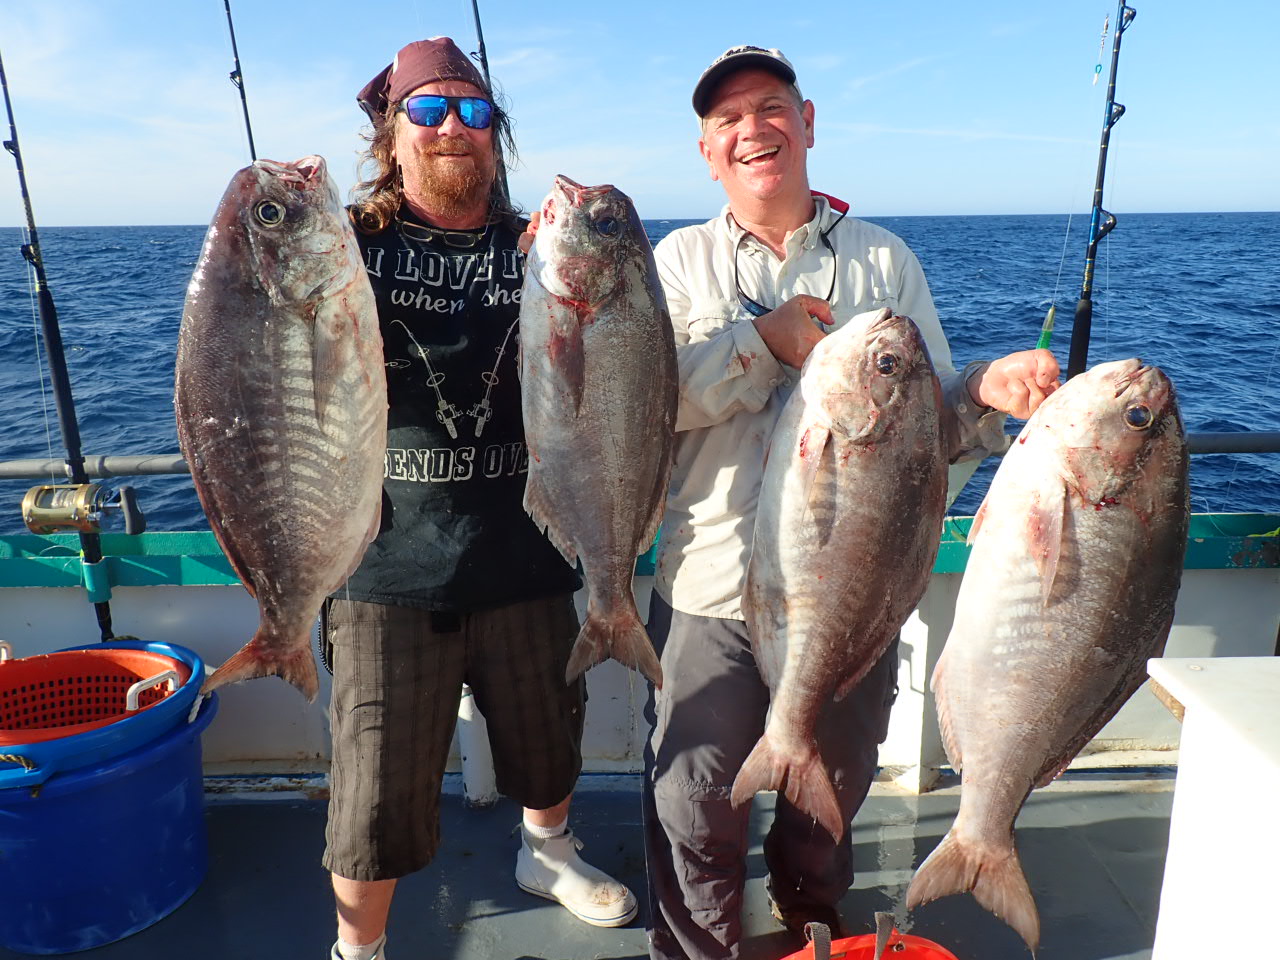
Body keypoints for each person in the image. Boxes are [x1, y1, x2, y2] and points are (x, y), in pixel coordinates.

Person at [641, 45, 1061, 960]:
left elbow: (933, 425)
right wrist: (760, 342)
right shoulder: (676, 263)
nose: (753, 129)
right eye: (727, 120)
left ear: (808, 122)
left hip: (857, 593)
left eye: (770, 107)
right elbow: (648, 401)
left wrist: (985, 394)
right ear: (708, 152)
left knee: (826, 803)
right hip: (711, 583)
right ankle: (693, 951)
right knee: (695, 802)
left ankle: (816, 940)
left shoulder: (885, 260)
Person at [322, 37, 637, 960]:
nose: (452, 126)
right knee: (373, 795)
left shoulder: (541, 247)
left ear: (498, 136)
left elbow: (611, 358)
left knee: (548, 745)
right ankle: (359, 949)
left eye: (474, 110)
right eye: (428, 111)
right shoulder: (346, 245)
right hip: (386, 565)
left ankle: (548, 852)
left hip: (529, 549)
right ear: (393, 132)